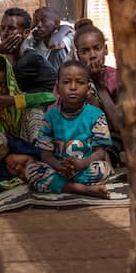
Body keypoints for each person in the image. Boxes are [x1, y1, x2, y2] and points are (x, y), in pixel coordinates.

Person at [0, 54, 56, 195]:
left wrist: (15, 101)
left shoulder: (14, 97)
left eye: (3, 84)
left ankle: (38, 158)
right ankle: (30, 166)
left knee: (34, 113)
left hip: (22, 148)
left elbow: (50, 97)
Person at [25, 60, 113, 198]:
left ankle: (63, 185)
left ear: (88, 88)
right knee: (32, 169)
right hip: (58, 168)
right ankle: (82, 189)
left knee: (102, 168)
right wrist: (58, 165)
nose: (73, 87)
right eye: (66, 82)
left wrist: (83, 163)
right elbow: (45, 154)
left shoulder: (96, 115)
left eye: (79, 82)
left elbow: (100, 151)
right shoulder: (50, 117)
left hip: (84, 167)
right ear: (58, 88)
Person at [73, 19, 123, 165]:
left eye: (97, 48)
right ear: (77, 55)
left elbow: (119, 125)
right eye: (85, 51)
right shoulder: (69, 79)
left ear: (106, 49)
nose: (92, 55)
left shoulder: (116, 78)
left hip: (112, 137)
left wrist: (99, 86)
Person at [0, 7, 57, 96]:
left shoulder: (30, 58)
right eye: (2, 28)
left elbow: (56, 86)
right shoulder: (1, 58)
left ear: (26, 33)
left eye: (11, 28)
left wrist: (23, 100)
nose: (5, 33)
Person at [24, 7, 75, 72]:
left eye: (44, 21)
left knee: (58, 51)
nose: (38, 25)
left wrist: (64, 28)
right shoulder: (36, 40)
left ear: (56, 24)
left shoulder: (66, 36)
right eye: (37, 21)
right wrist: (30, 27)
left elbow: (54, 44)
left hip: (61, 75)